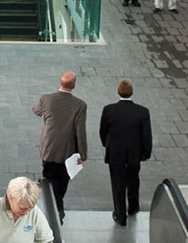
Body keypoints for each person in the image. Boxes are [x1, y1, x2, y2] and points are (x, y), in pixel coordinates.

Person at [33, 71, 88, 220]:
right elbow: (80, 131)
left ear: (60, 82)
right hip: (67, 152)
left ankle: (49, 207)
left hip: (49, 149)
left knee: (48, 177)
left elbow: (36, 111)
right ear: (74, 85)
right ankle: (58, 205)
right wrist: (83, 154)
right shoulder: (80, 105)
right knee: (62, 181)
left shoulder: (46, 99)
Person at [100, 80, 151, 227]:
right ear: (132, 93)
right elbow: (146, 135)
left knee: (118, 184)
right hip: (134, 155)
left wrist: (107, 145)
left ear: (118, 92)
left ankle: (120, 215)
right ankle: (133, 206)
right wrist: (146, 153)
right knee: (134, 180)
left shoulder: (109, 110)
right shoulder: (142, 112)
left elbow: (103, 131)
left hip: (116, 154)